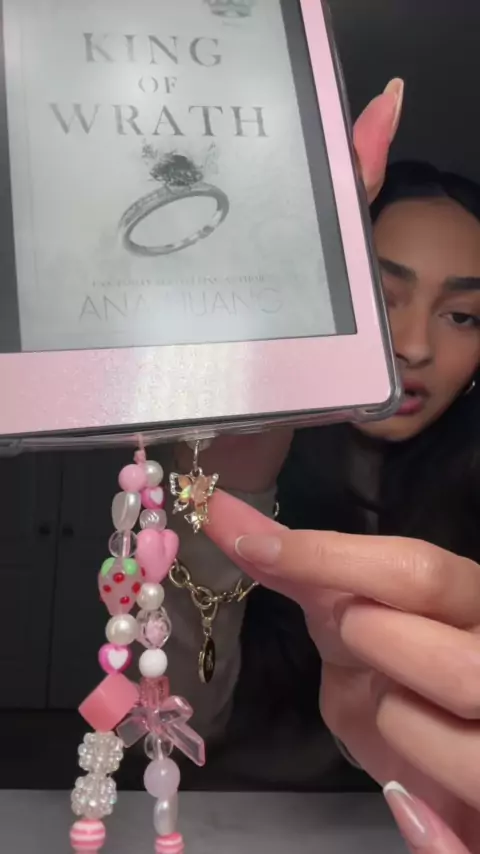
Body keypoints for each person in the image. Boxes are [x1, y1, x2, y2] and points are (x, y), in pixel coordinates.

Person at [146, 78, 480, 851]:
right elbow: (166, 728)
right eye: (382, 295)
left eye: (463, 315)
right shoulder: (213, 457)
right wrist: (234, 486)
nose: (414, 346)